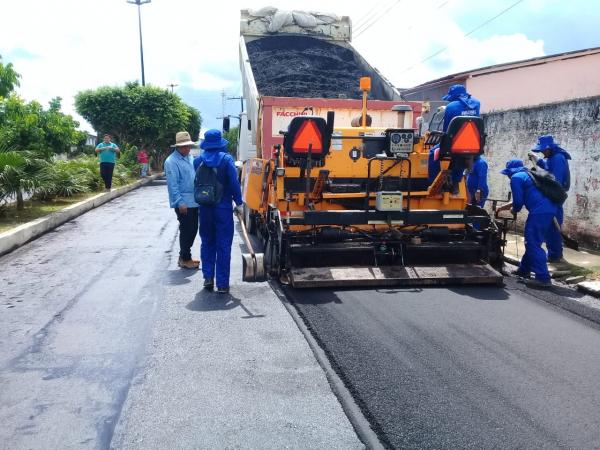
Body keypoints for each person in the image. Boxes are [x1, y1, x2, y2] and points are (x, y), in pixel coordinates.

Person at [193, 129, 243, 294]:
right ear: (220, 143)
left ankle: (208, 278)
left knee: (207, 242)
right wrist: (239, 203)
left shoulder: (197, 161)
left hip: (205, 209)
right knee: (223, 245)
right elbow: (234, 184)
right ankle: (222, 284)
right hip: (222, 209)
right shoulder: (227, 160)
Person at [496, 159, 557, 288]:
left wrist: (514, 210)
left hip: (539, 212)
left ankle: (543, 278)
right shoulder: (529, 175)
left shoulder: (516, 178)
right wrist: (502, 208)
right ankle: (524, 270)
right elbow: (521, 199)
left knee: (532, 243)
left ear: (510, 172)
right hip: (549, 210)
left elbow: (518, 202)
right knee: (533, 242)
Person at [528, 135, 571, 264]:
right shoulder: (552, 157)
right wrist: (537, 160)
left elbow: (554, 180)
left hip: (555, 195)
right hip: (552, 195)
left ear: (549, 148)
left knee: (553, 226)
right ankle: (553, 254)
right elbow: (547, 167)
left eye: (542, 150)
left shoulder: (558, 158)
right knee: (550, 226)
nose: (541, 152)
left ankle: (555, 255)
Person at [428, 84, 481, 186]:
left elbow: (446, 130)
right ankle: (456, 183)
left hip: (454, 144)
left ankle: (434, 183)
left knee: (432, 153)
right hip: (473, 144)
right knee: (461, 155)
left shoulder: (451, 107)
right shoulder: (477, 104)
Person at [165, 131, 200, 270]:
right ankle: (185, 258)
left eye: (188, 146)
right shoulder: (171, 161)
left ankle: (183, 256)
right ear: (177, 147)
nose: (187, 149)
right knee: (187, 230)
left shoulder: (190, 157)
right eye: (184, 146)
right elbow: (172, 185)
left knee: (193, 229)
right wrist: (180, 202)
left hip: (194, 200)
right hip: (183, 202)